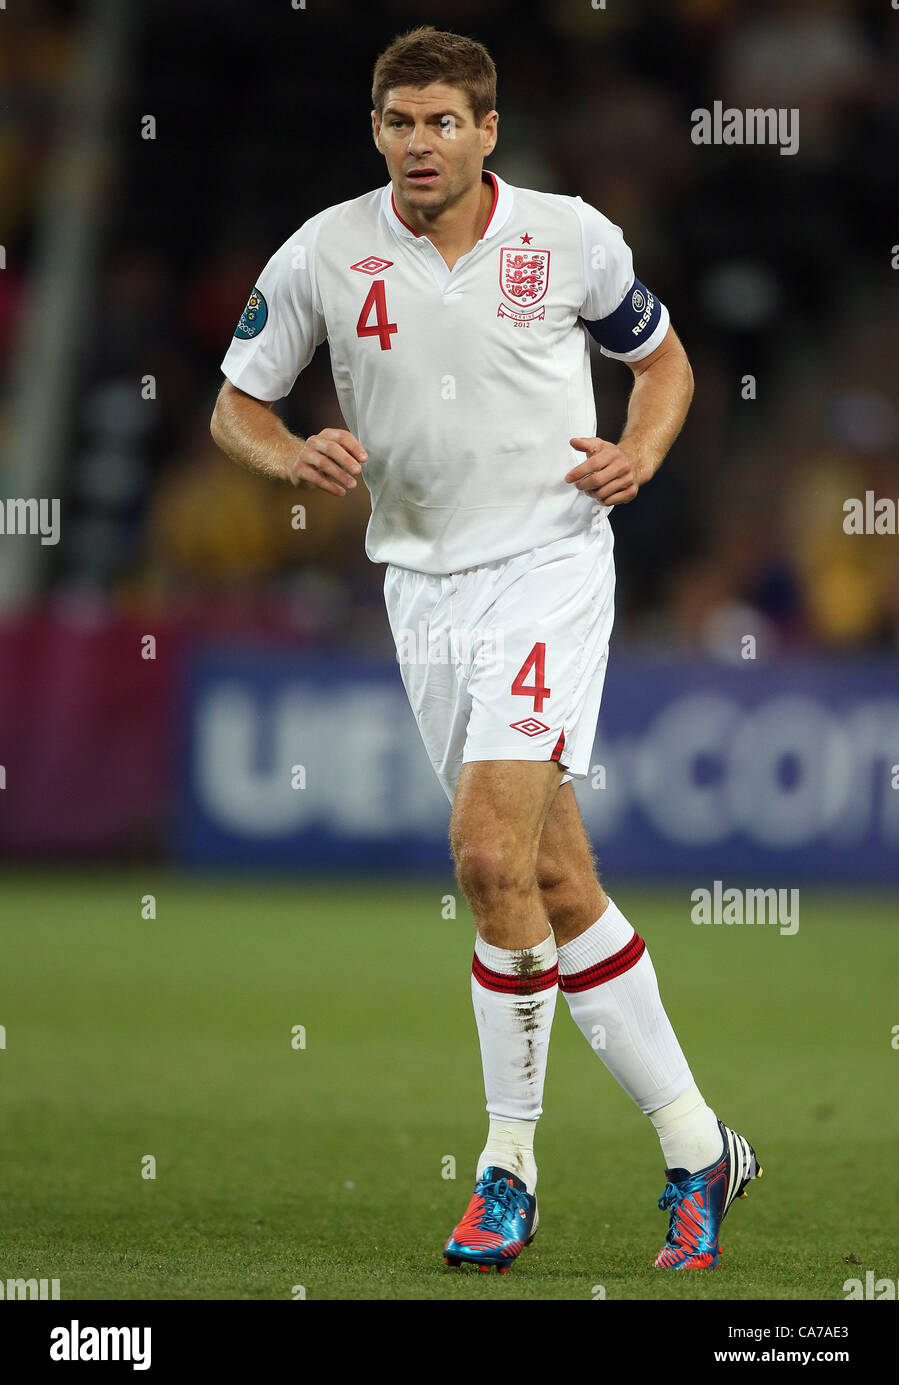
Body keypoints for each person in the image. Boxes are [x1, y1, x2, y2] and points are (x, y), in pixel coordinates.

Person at [210, 25, 761, 1275]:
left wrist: (644, 450)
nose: (419, 143)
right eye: (399, 123)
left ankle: (506, 1167)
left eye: (442, 121)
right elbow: (233, 399)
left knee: (479, 851)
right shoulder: (323, 251)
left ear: (486, 131)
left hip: (550, 563)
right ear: (376, 133)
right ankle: (697, 1145)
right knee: (551, 886)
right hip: (420, 586)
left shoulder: (567, 236)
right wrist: (287, 452)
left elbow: (662, 361)